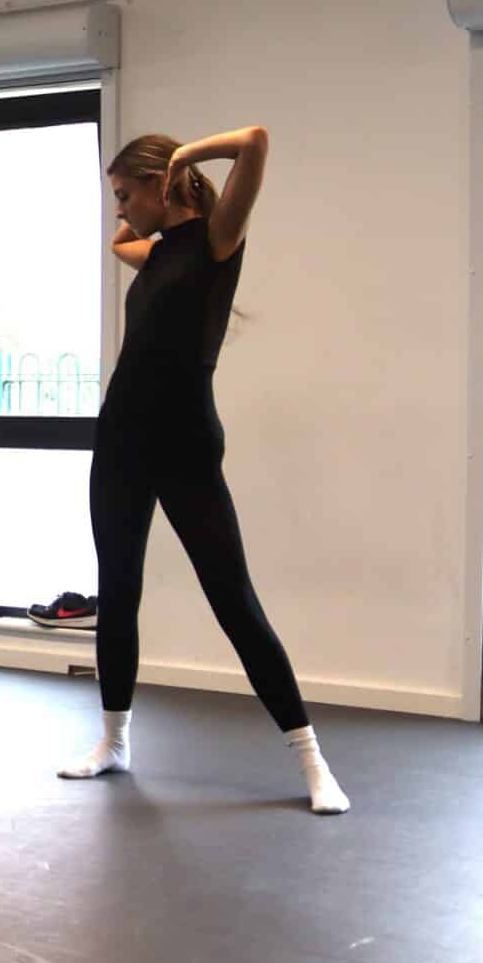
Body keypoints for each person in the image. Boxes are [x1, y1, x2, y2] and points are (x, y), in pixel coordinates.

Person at [59, 127, 349, 814]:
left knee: (233, 599)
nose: (120, 212)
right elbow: (118, 243)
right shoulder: (154, 253)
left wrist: (185, 158)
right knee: (118, 590)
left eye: (127, 195)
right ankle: (114, 741)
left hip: (186, 444)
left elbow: (254, 143)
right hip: (122, 440)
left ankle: (312, 759)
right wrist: (143, 209)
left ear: (163, 185)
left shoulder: (219, 242)